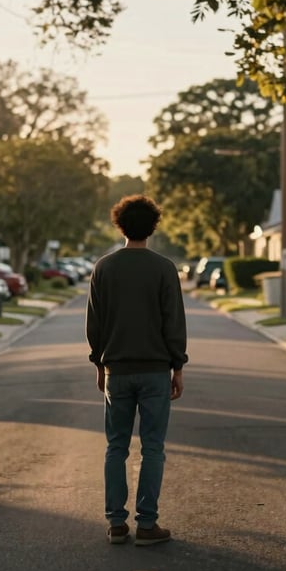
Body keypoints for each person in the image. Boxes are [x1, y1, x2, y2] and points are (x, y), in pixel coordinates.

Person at [85, 194, 188, 546]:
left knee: (116, 446)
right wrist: (178, 366)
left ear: (120, 225)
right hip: (156, 369)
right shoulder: (163, 268)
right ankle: (147, 524)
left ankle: (116, 522)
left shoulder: (104, 268)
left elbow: (94, 325)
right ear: (154, 226)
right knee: (153, 448)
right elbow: (173, 322)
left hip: (117, 369)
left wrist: (99, 364)